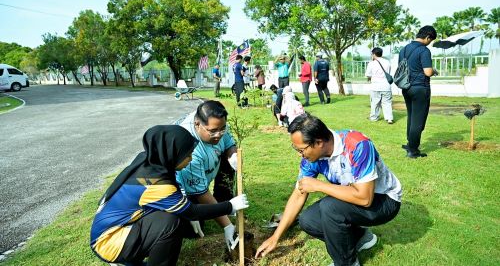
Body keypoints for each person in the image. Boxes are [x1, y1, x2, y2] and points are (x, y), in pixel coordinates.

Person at [90, 125, 249, 266]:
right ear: (172, 154)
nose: (191, 159)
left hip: (115, 227)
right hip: (108, 241)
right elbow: (192, 211)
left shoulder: (150, 160)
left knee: (175, 215)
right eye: (187, 155)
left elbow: (177, 194)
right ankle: (124, 260)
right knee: (171, 223)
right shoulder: (156, 185)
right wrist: (230, 206)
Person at [255, 113, 402, 266]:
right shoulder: (312, 158)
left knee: (330, 208)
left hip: (384, 200)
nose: (301, 155)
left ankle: (346, 263)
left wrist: (318, 185)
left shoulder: (357, 145)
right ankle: (360, 237)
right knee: (308, 220)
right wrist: (276, 237)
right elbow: (299, 193)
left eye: (301, 150)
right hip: (355, 197)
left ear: (318, 142)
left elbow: (365, 198)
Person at [175, 100, 241, 250]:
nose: (218, 135)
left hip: (208, 167)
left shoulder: (217, 123)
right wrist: (227, 226)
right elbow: (201, 193)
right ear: (197, 125)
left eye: (222, 129)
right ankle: (218, 209)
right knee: (192, 231)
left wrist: (233, 155)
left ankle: (224, 203)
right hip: (185, 188)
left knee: (228, 161)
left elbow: (229, 143)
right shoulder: (189, 148)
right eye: (213, 131)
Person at [399, 25, 438, 159]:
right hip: (420, 88)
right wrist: (434, 71)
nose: (429, 43)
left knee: (411, 116)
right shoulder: (424, 50)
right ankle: (413, 150)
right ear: (427, 37)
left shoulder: (403, 50)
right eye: (430, 40)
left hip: (406, 87)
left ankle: (410, 143)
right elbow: (427, 71)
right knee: (418, 120)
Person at [365, 47, 394, 124]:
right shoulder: (387, 62)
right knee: (387, 103)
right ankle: (389, 118)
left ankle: (374, 117)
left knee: (375, 102)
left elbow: (368, 75)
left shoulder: (371, 63)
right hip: (386, 86)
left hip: (375, 86)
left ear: (374, 54)